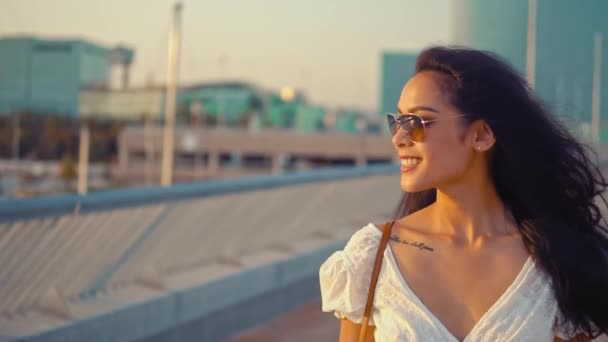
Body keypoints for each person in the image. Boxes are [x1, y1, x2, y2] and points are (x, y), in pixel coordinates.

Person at [319, 46, 608, 341]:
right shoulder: (372, 256)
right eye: (398, 121)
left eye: (417, 122)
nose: (399, 138)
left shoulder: (552, 263)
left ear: (481, 135)